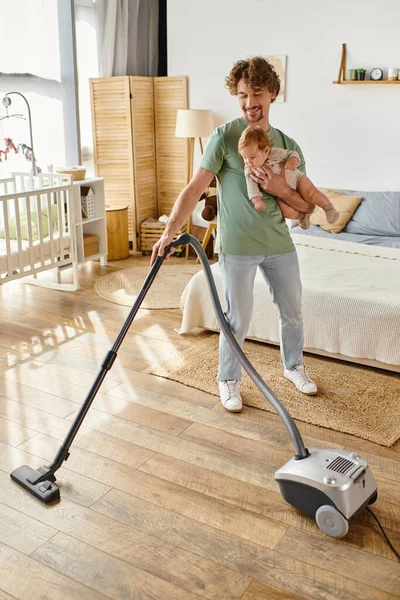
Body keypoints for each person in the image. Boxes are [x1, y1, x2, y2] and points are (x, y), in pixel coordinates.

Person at [151, 56, 318, 413]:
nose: (248, 103)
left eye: (256, 93)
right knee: (236, 318)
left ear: (272, 93)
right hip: (238, 246)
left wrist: (277, 187)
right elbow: (195, 187)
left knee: (293, 311)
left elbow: (305, 207)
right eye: (242, 95)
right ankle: (228, 379)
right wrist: (169, 231)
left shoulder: (289, 147)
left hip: (278, 244)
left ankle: (293, 367)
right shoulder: (224, 137)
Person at [239, 126, 339, 229]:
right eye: (244, 157)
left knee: (310, 193)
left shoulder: (275, 153)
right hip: (279, 194)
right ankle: (301, 217)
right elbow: (250, 185)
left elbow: (292, 153)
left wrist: (292, 161)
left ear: (266, 151)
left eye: (252, 157)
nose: (248, 162)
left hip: (297, 179)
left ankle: (328, 208)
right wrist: (256, 200)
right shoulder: (249, 169)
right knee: (285, 211)